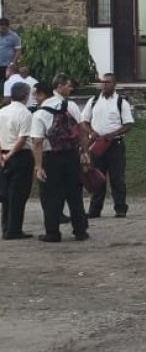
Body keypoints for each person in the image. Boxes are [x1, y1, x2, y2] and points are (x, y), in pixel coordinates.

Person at [31, 79, 88, 243]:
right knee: (75, 194)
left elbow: (37, 142)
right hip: (71, 155)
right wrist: (84, 152)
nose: (35, 99)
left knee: (50, 196)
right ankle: (80, 230)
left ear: (42, 94)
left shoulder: (40, 114)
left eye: (36, 95)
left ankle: (53, 232)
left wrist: (39, 166)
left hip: (51, 158)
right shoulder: (70, 106)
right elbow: (82, 130)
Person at [81, 73, 135, 219]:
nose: (104, 85)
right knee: (97, 177)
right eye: (102, 82)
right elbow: (84, 121)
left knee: (117, 178)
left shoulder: (120, 102)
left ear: (114, 84)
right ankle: (95, 209)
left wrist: (112, 134)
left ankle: (120, 208)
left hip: (114, 144)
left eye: (108, 82)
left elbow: (128, 124)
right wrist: (92, 132)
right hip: (97, 144)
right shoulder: (93, 101)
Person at [0, 81, 34, 239]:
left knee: (6, 193)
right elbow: (22, 139)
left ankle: (6, 226)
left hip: (3, 154)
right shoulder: (25, 113)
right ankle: (14, 229)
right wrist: (11, 153)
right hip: (20, 155)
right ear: (25, 96)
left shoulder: (2, 111)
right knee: (19, 194)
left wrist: (3, 154)